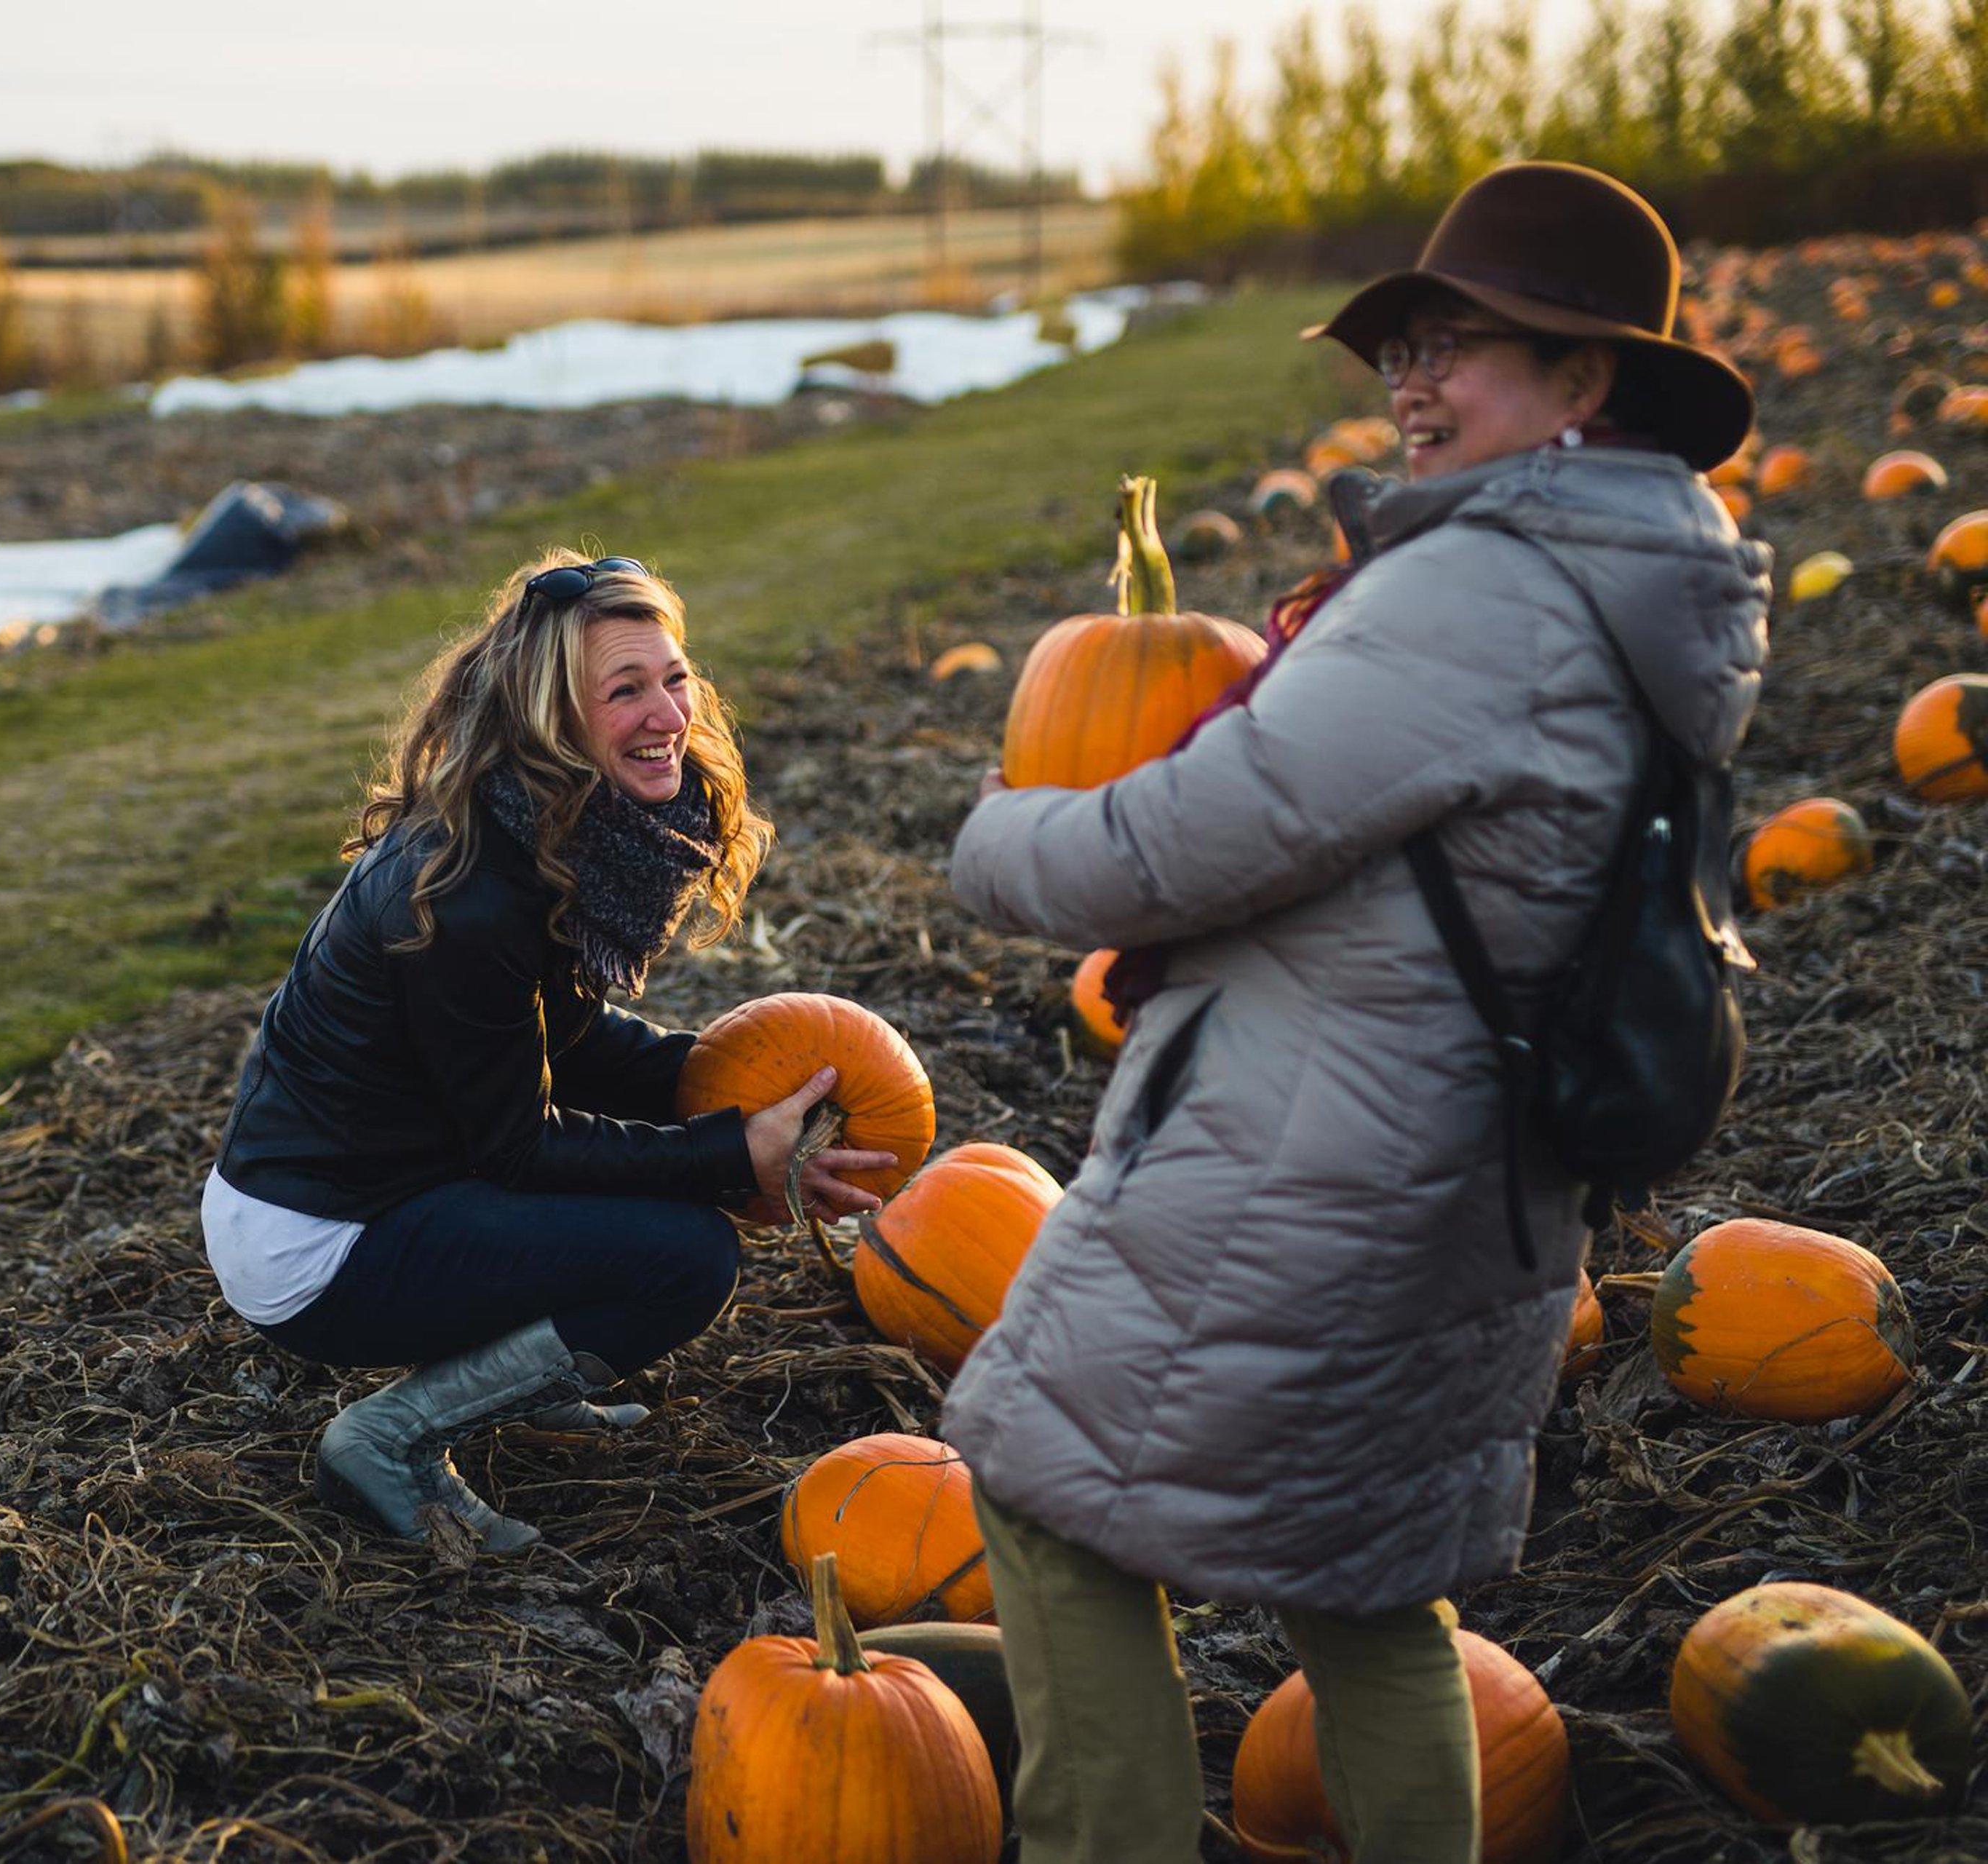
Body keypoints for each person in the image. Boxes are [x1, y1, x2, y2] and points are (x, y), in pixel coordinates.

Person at [944, 162, 1771, 1863]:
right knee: (1372, 1592)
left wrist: (994, 835)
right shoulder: (1633, 587)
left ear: (1584, 382)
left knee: (1046, 1501)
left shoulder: (1480, 597)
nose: (1409, 380)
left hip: (1312, 1170)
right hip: (1464, 1175)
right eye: (1402, 342)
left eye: (1462, 345)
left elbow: (1177, 844)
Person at [205, 551, 896, 1553]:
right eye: (626, 691)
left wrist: (731, 1083)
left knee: (650, 1211)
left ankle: (515, 1377)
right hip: (319, 1237)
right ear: (550, 720)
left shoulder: (553, 825)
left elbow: (558, 1043)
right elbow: (516, 1145)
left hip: (395, 1177)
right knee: (686, 1256)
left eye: (674, 678)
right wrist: (725, 1155)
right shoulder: (472, 888)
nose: (670, 714)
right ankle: (389, 1437)